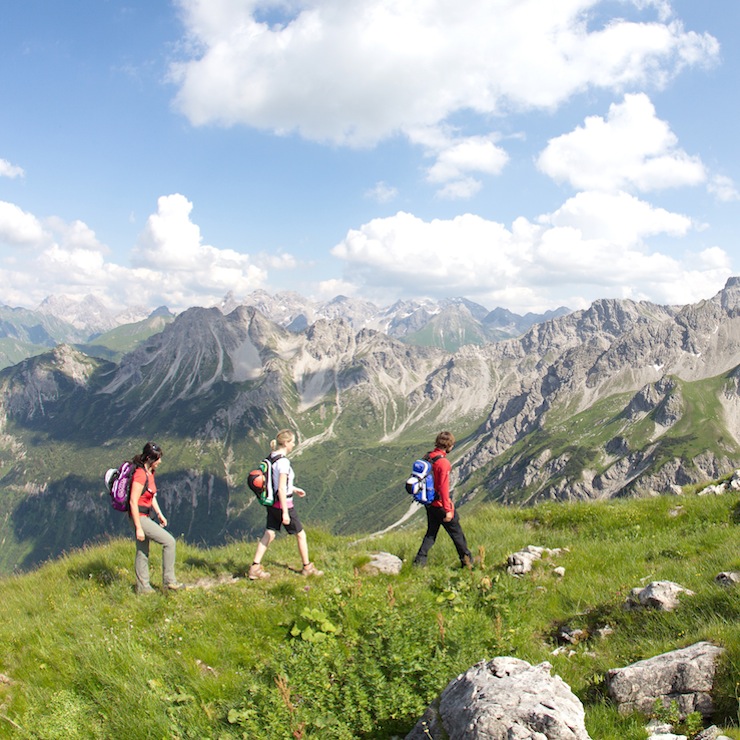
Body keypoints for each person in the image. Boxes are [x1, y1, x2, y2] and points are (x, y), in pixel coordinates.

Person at [248, 429, 323, 580]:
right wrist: (285, 513)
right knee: (301, 535)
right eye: (293, 442)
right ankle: (307, 567)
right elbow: (281, 488)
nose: (294, 444)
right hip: (284, 505)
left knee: (269, 533)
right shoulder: (283, 462)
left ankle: (255, 567)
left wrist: (294, 489)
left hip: (272, 503)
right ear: (287, 443)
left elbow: (275, 483)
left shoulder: (271, 457)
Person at [129, 441, 184, 593]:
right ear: (149, 459)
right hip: (139, 517)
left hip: (144, 515)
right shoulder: (140, 475)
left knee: (142, 551)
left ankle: (143, 588)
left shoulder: (150, 473)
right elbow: (133, 501)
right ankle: (169, 581)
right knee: (169, 542)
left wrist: (159, 514)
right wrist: (139, 527)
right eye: (157, 458)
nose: (160, 461)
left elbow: (151, 495)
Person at [413, 431, 473, 568]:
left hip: (429, 503)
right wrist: (448, 510)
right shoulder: (443, 463)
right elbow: (444, 488)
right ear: (449, 445)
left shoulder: (428, 456)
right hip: (440, 504)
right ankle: (467, 562)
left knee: (431, 533)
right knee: (457, 534)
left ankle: (419, 562)